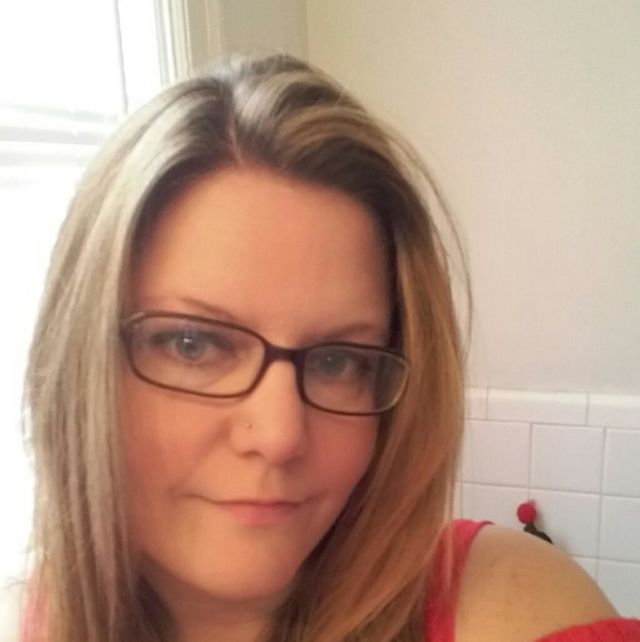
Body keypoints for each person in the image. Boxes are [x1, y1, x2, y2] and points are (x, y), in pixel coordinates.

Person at [20, 53, 640, 642]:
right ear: (81, 368)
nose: (280, 435)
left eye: (338, 361)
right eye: (192, 345)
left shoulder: (509, 604)